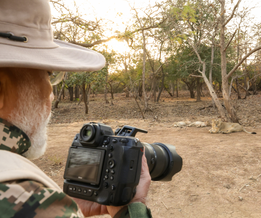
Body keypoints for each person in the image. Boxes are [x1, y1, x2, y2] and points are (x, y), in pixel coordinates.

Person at [0, 0, 152, 217]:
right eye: (48, 75)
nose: (51, 94)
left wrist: (68, 209)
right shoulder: (26, 197)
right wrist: (131, 209)